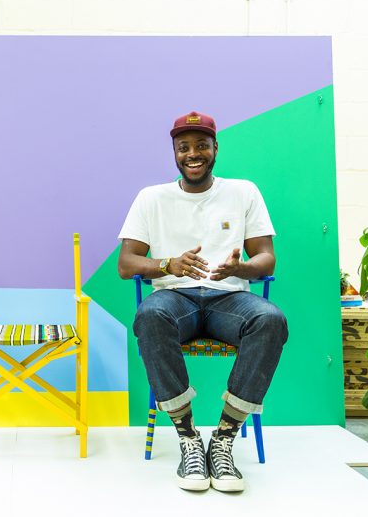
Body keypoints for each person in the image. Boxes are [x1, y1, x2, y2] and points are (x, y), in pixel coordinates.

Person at [117, 111, 288, 493]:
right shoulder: (152, 197)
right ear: (175, 153)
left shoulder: (244, 191)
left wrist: (240, 270)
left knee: (271, 320)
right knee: (149, 316)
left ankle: (224, 439)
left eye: (201, 146)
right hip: (174, 299)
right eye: (184, 147)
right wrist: (167, 263)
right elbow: (126, 264)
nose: (193, 154)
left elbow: (266, 258)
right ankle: (189, 438)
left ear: (215, 148)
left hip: (229, 300)